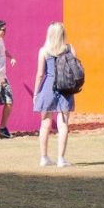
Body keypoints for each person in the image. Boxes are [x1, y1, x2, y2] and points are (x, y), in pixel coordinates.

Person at [32, 21, 76, 168]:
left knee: (45, 124)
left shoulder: (44, 51)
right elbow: (75, 70)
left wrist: (36, 93)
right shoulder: (70, 49)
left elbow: (39, 74)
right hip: (65, 88)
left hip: (48, 88)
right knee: (63, 125)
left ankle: (44, 157)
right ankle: (61, 159)